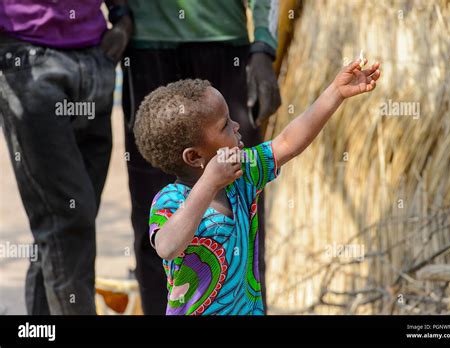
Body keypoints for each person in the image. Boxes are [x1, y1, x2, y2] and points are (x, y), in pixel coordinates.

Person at [133, 57, 381, 315]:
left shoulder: (243, 174)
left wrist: (336, 92)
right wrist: (209, 181)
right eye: (225, 125)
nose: (237, 126)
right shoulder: (170, 200)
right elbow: (167, 246)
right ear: (195, 157)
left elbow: (287, 143)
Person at [122, 0, 281, 314]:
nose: (231, 127)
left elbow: (286, 145)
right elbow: (166, 245)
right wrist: (120, 17)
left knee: (242, 198)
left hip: (224, 41)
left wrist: (263, 43)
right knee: (152, 217)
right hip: (147, 45)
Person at [0, 0, 131, 314]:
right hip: (27, 60)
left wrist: (122, 17)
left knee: (67, 225)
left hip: (95, 56)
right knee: (67, 220)